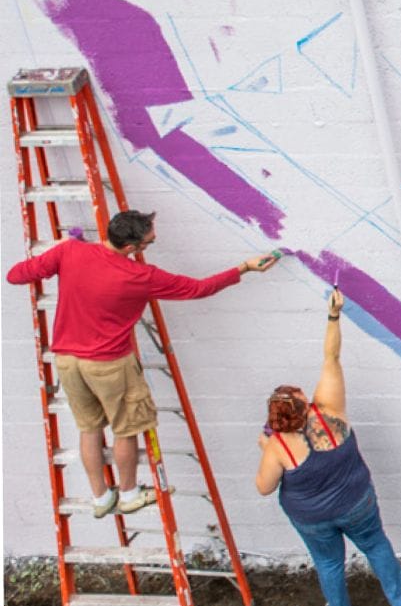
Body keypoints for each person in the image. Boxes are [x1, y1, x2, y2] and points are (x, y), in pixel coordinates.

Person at [7, 209, 278, 518]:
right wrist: (244, 267)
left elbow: (16, 275)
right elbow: (198, 289)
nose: (151, 244)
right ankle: (130, 493)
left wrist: (58, 254)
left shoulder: (71, 251)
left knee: (89, 429)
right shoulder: (139, 276)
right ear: (131, 247)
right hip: (110, 365)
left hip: (68, 361)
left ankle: (100, 498)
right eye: (148, 242)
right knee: (126, 428)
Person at [255, 288, 401, 606]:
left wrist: (263, 446)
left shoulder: (278, 447)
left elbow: (264, 487)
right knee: (376, 544)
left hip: (311, 517)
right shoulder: (331, 414)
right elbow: (331, 358)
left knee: (328, 563)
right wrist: (333, 316)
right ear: (304, 405)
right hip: (356, 502)